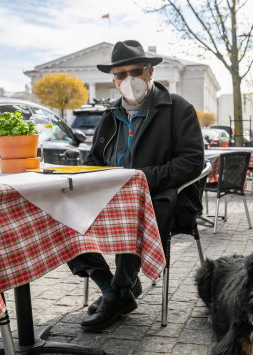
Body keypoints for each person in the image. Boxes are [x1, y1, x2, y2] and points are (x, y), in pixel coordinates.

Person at [67, 40, 204, 331]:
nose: (128, 79)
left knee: (132, 212)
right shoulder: (109, 115)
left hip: (161, 197)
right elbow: (94, 160)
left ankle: (120, 289)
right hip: (111, 196)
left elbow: (191, 161)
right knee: (62, 213)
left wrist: (139, 178)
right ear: (113, 79)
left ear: (150, 72)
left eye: (136, 71)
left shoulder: (178, 109)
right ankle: (113, 290)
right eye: (120, 74)